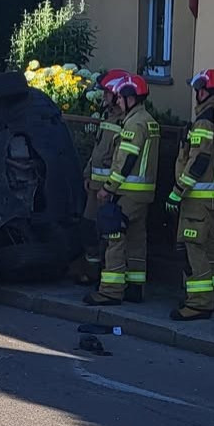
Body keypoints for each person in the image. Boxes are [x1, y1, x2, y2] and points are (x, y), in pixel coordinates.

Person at [84, 74, 159, 306]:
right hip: (143, 193)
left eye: (121, 98)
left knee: (114, 236)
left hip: (128, 191)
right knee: (136, 239)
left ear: (131, 98)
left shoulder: (134, 123)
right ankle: (135, 288)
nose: (117, 101)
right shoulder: (149, 121)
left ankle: (110, 291)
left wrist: (109, 187)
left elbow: (125, 160)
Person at [165, 69, 214, 321]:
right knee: (209, 246)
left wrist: (177, 191)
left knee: (194, 248)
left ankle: (199, 303)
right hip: (213, 198)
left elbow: (199, 160)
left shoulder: (205, 120)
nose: (195, 95)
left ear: (205, 91)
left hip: (197, 197)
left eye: (197, 90)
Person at [69, 68, 132, 285]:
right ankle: (92, 271)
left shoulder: (125, 122)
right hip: (95, 188)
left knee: (107, 234)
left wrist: (108, 187)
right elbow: (98, 151)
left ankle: (102, 275)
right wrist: (88, 174)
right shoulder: (108, 118)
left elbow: (119, 160)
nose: (104, 96)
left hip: (108, 190)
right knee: (88, 230)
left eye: (107, 92)